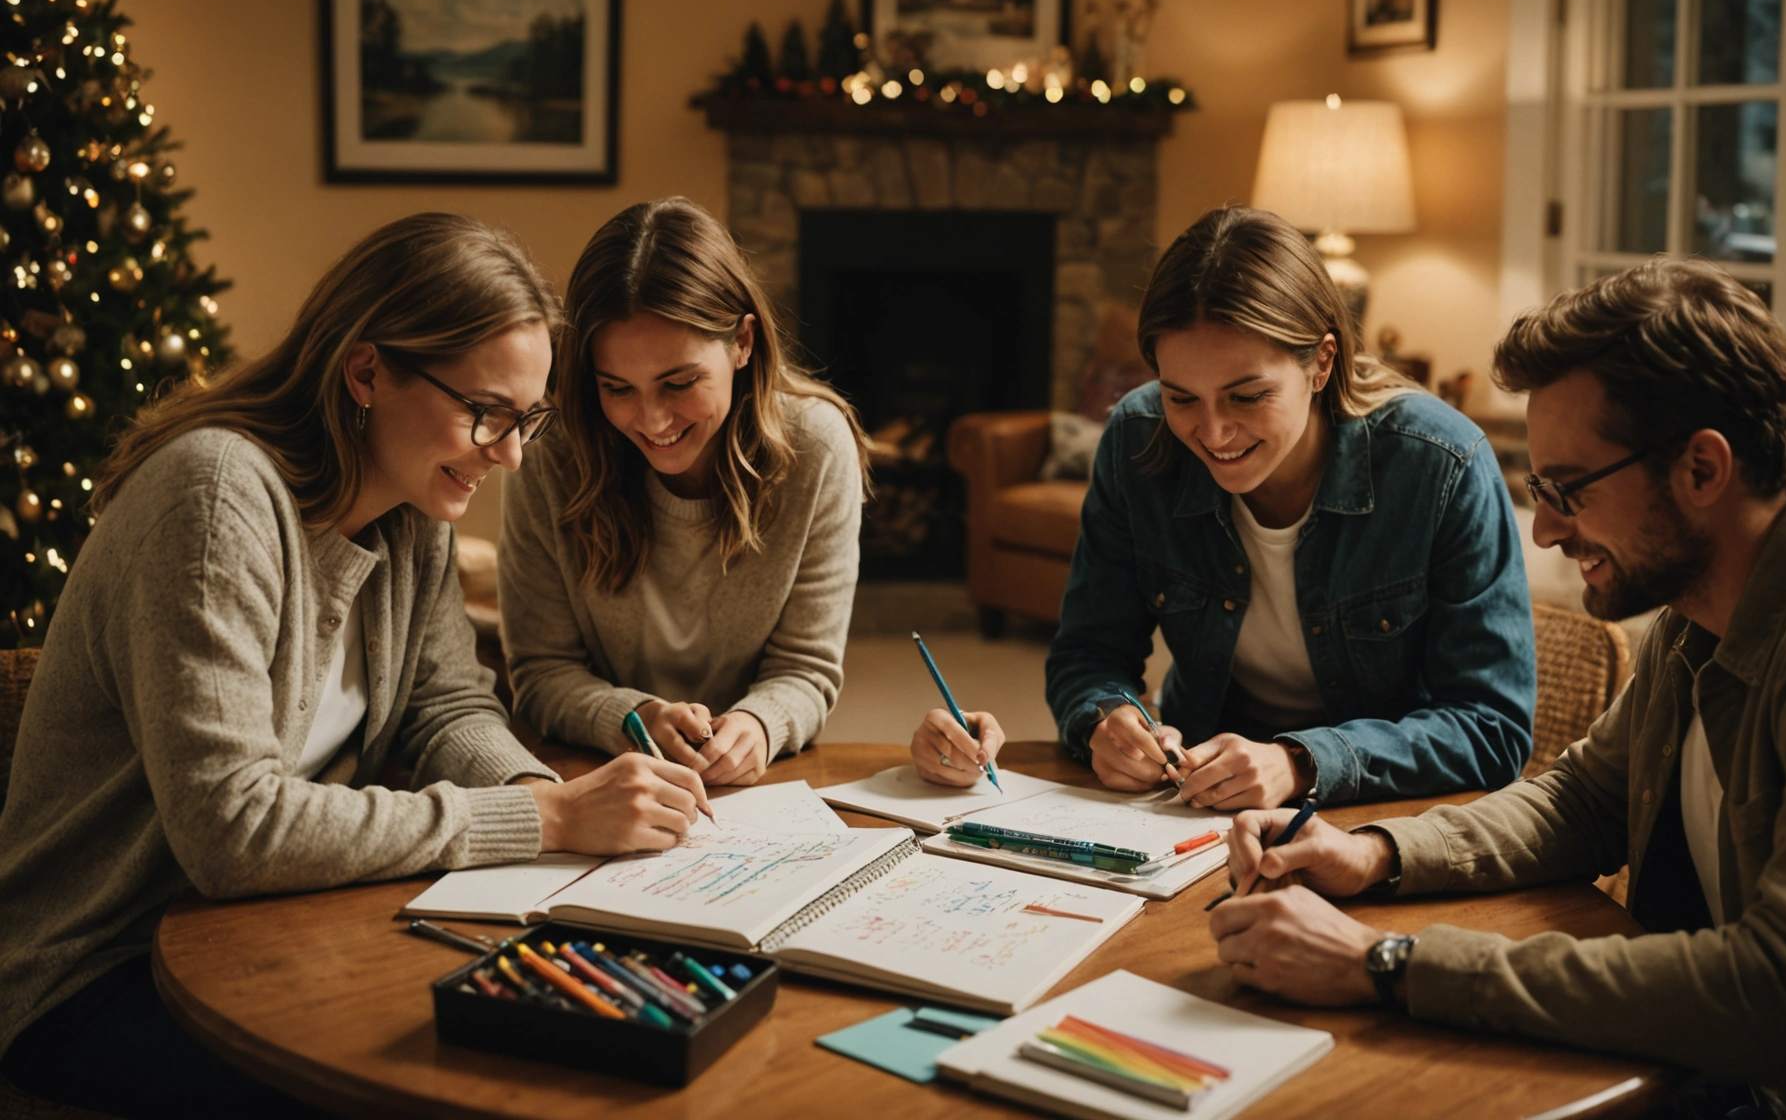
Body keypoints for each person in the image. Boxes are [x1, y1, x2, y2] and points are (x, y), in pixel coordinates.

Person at [1208, 258, 1786, 1117]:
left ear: (1702, 470)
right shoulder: (1712, 597)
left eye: (1567, 489)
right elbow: (1586, 800)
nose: (1548, 530)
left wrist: (1386, 964)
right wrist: (1374, 853)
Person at [0, 214, 713, 1116]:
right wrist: (544, 817)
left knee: (568, 1053)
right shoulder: (215, 500)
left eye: (526, 418)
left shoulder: (411, 508)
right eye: (486, 413)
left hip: (275, 929)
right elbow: (232, 830)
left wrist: (546, 802)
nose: (510, 454)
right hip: (97, 969)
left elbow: (447, 706)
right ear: (367, 372)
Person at [911, 206, 1535, 809]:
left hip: (1384, 811)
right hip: (1199, 793)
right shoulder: (1137, 441)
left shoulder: (1440, 463)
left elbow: (1492, 727)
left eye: (1247, 396)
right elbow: (1089, 654)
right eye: (1181, 397)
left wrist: (1300, 762)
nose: (1212, 433)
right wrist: (1108, 720)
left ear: (1321, 363)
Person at [500, 198, 870, 786]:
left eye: (679, 383)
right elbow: (541, 674)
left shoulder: (818, 447)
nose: (652, 420)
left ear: (743, 342)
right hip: (599, 771)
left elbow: (806, 669)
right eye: (617, 388)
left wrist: (759, 723)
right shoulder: (549, 453)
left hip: (753, 786)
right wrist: (634, 718)